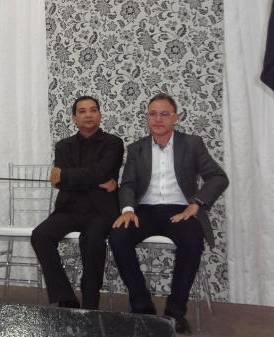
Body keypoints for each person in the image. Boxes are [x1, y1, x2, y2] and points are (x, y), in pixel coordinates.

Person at [109, 93, 229, 335]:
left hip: (180, 210)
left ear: (176, 118)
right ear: (146, 117)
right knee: (118, 237)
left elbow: (218, 177)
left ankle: (175, 313)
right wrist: (128, 209)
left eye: (164, 114)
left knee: (192, 241)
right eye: (153, 114)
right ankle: (142, 306)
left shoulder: (192, 144)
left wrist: (196, 203)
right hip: (145, 210)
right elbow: (128, 184)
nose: (158, 119)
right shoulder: (136, 148)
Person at [30, 96, 124, 310]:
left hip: (100, 211)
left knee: (91, 241)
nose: (88, 115)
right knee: (40, 236)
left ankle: (90, 306)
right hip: (69, 208)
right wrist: (93, 179)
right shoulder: (63, 146)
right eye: (82, 111)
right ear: (74, 118)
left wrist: (67, 175)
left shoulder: (113, 143)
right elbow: (80, 179)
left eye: (93, 110)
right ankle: (65, 297)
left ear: (100, 115)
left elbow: (101, 172)